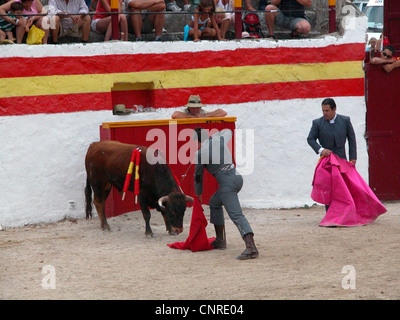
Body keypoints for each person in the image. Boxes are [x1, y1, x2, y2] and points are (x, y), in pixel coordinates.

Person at [193, 127, 259, 260]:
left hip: (226, 183)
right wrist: (214, 138)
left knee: (236, 215)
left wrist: (198, 193)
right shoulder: (219, 139)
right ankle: (220, 240)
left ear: (198, 141)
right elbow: (228, 130)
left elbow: (198, 176)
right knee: (214, 202)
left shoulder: (200, 153)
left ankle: (251, 247)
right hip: (237, 177)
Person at [307, 98, 357, 164]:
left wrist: (352, 158)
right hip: (326, 160)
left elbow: (351, 139)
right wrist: (321, 150)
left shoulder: (345, 120)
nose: (325, 113)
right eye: (323, 111)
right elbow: (310, 139)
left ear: (334, 109)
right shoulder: (317, 123)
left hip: (341, 159)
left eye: (327, 111)